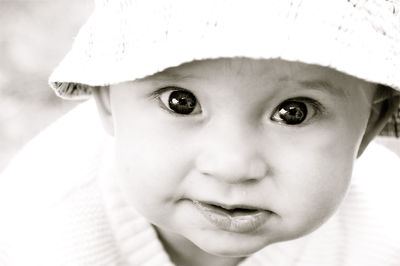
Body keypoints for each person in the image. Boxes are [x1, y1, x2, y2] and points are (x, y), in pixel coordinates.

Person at [1, 0, 400, 265]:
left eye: (293, 113)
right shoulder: (41, 230)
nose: (232, 166)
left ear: (370, 125)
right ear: (107, 100)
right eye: (181, 102)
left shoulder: (385, 230)